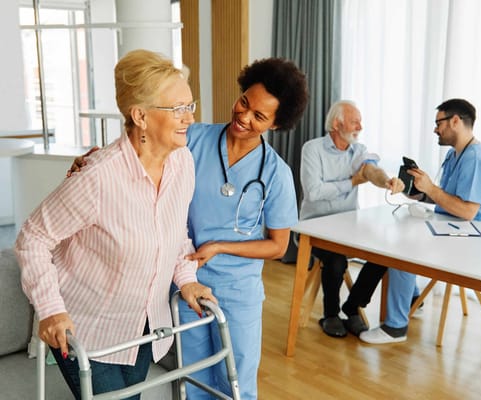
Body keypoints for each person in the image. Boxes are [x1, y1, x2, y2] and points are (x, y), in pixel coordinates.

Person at [69, 57, 309, 399]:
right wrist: (90, 161)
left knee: (236, 380)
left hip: (238, 290)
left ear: (275, 124)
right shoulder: (193, 138)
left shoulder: (276, 173)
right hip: (184, 279)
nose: (244, 117)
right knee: (193, 375)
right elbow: (138, 151)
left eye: (259, 116)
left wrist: (219, 247)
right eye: (244, 103)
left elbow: (278, 246)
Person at [15, 49, 216, 400]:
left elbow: (174, 234)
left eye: (191, 105)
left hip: (142, 327)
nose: (189, 118)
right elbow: (33, 238)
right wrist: (50, 310)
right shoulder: (98, 177)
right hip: (87, 331)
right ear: (140, 115)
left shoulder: (183, 163)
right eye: (177, 109)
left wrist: (187, 280)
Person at [358, 98, 481, 344]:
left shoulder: (476, 158)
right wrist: (413, 189)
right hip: (453, 227)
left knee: (402, 249)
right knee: (400, 234)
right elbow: (444, 198)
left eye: (439, 123)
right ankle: (413, 298)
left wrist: (432, 190)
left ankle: (396, 327)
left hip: (476, 238)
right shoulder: (454, 155)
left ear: (455, 121)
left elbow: (467, 212)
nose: (435, 129)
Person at [299, 100, 405, 338]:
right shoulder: (312, 149)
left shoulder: (358, 150)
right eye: (355, 121)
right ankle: (331, 315)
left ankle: (352, 306)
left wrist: (387, 181)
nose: (360, 126)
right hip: (314, 227)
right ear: (337, 124)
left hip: (348, 226)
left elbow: (370, 170)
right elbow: (314, 192)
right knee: (335, 261)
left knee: (384, 253)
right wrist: (351, 183)